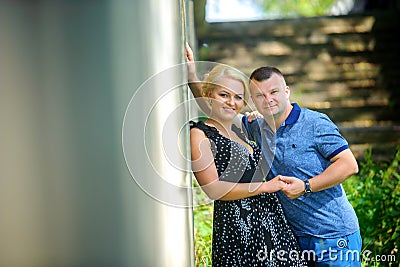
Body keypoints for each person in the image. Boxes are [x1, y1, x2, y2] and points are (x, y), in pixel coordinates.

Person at [186, 44, 361, 266]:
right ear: (253, 101)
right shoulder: (256, 127)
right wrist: (191, 73)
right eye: (260, 95)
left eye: (274, 92)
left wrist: (306, 186)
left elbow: (349, 165)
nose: (268, 99)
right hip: (291, 236)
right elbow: (217, 108)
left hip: (332, 236)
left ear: (286, 91)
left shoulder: (314, 123)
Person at [189, 61, 307, 266]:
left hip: (272, 224)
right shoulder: (200, 134)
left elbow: (221, 108)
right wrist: (265, 187)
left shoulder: (241, 128)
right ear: (209, 94)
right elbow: (213, 189)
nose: (231, 102)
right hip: (238, 229)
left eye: (238, 97)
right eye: (223, 95)